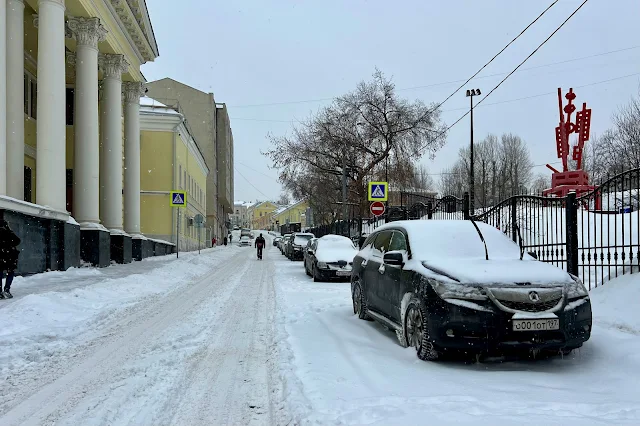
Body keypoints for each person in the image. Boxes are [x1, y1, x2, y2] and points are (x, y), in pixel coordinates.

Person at [0, 219, 20, 299]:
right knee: (10, 272)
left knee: (0, 272)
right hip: (10, 256)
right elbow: (17, 241)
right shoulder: (9, 232)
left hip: (0, 256)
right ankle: (7, 289)